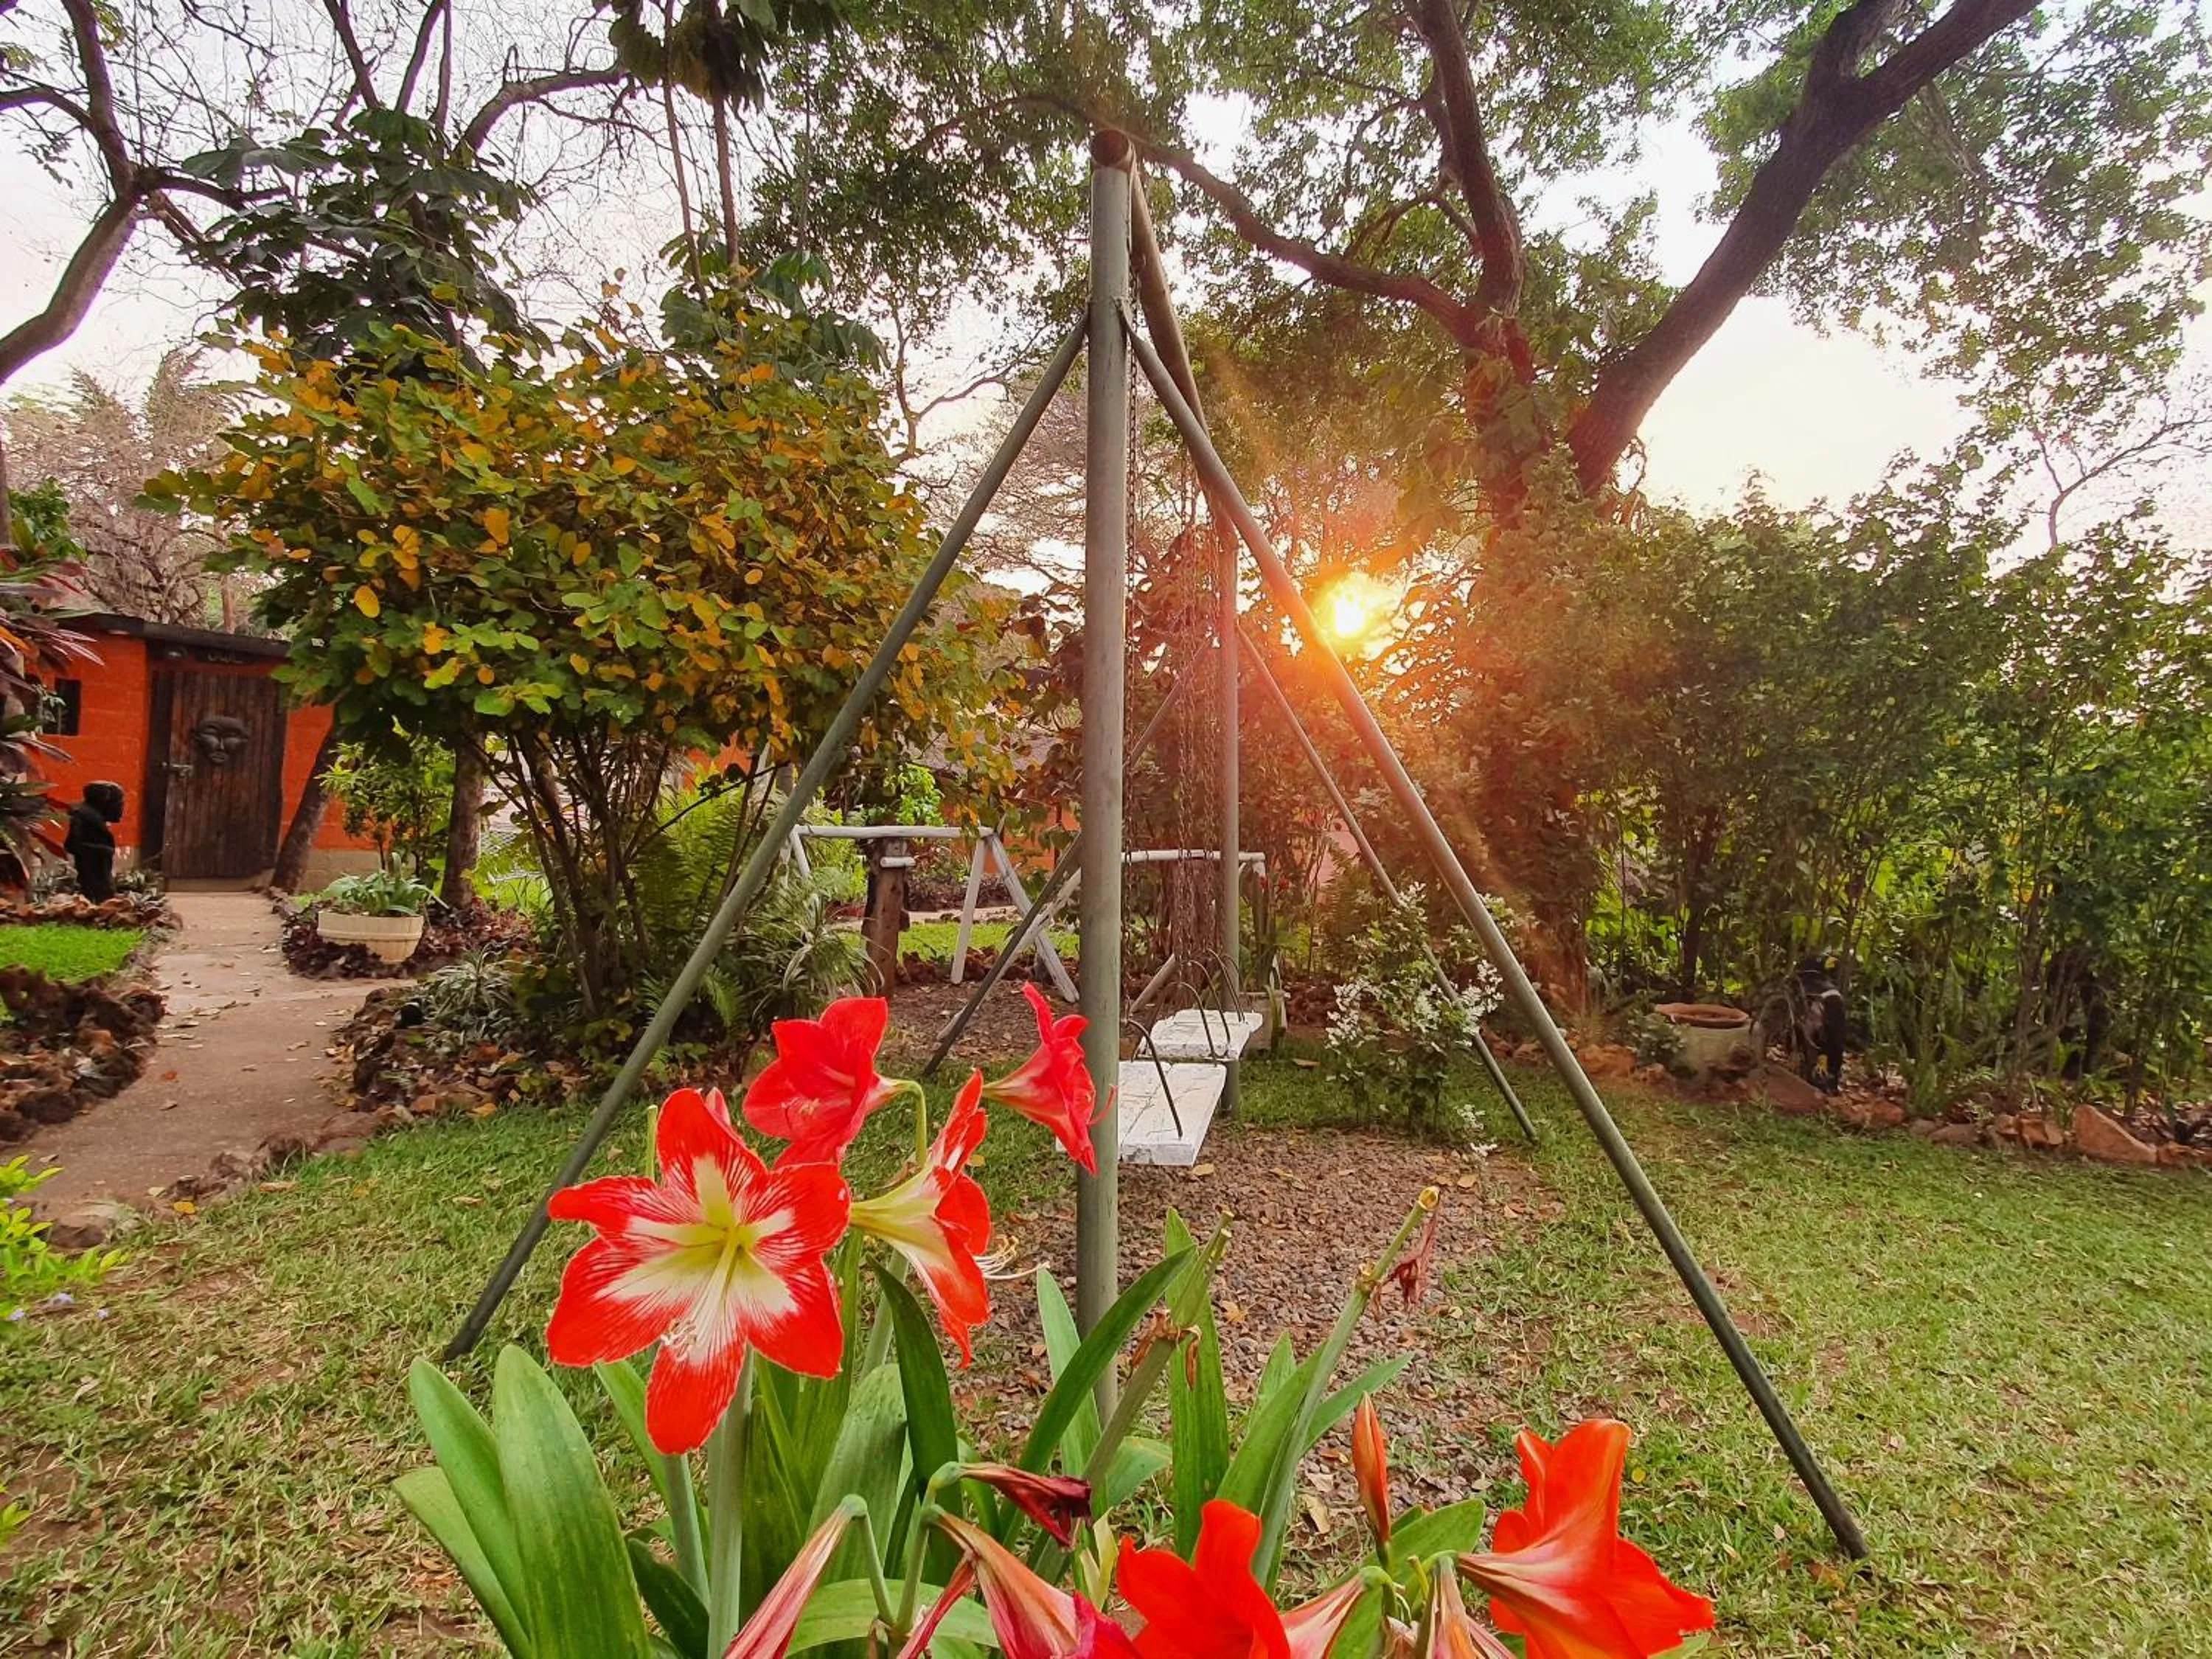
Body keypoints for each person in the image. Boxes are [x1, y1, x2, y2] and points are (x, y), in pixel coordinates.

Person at [1793, 953, 1848, 1093]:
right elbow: (1835, 1035)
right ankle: (1828, 1082)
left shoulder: (1798, 988)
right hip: (1821, 1038)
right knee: (1835, 1039)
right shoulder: (1832, 994)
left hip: (1805, 1034)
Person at [63, 781, 125, 902]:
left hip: (98, 872)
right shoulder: (84, 816)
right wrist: (103, 850)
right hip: (92, 874)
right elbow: (71, 845)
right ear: (103, 801)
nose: (121, 808)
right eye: (118, 803)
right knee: (99, 896)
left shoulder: (93, 818)